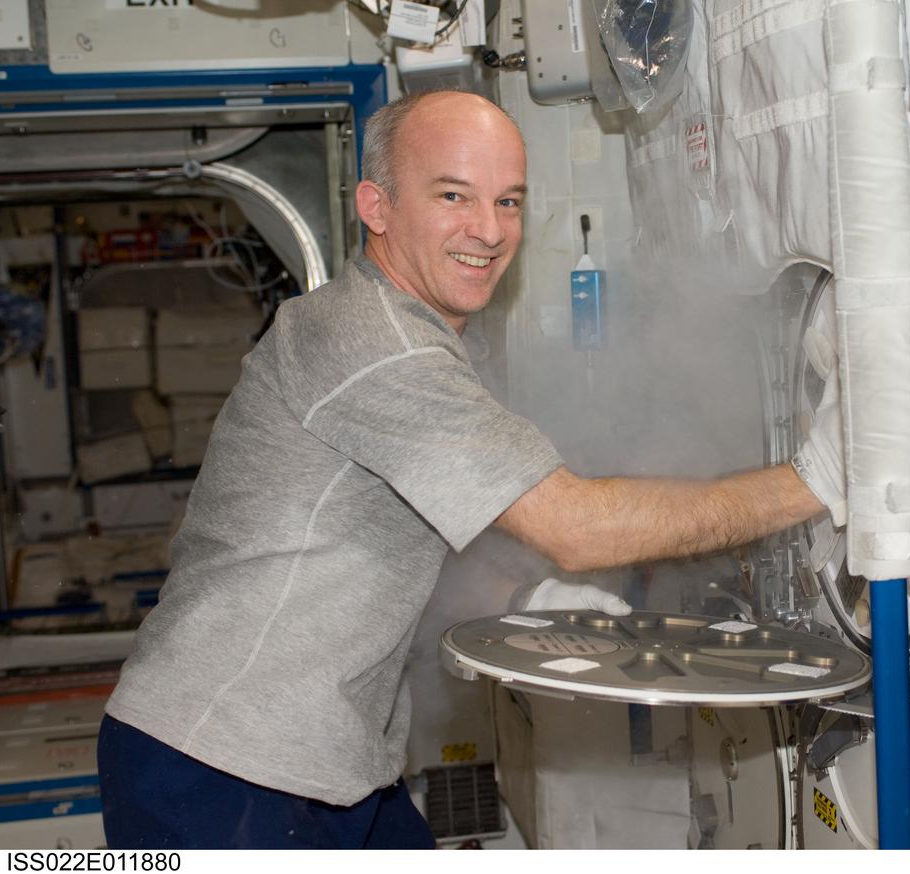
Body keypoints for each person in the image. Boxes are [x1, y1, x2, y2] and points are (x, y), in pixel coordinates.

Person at [97, 90, 845, 849]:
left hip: (327, 764)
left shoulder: (414, 332)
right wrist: (815, 480)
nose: (489, 230)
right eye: (453, 195)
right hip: (223, 766)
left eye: (508, 200)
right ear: (376, 206)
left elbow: (403, 541)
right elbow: (576, 527)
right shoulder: (376, 344)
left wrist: (528, 592)